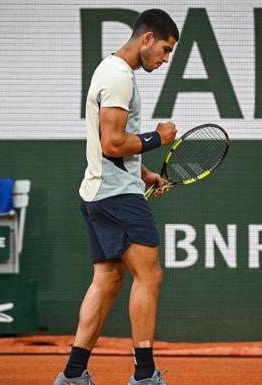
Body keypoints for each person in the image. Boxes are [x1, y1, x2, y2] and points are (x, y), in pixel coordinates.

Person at [53, 9, 179, 385]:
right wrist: (159, 138)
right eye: (165, 49)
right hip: (116, 195)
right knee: (149, 276)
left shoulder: (108, 71)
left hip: (99, 190)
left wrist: (143, 172)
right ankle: (144, 375)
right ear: (147, 38)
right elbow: (112, 143)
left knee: (107, 279)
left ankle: (73, 374)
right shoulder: (119, 77)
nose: (165, 58)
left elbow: (110, 143)